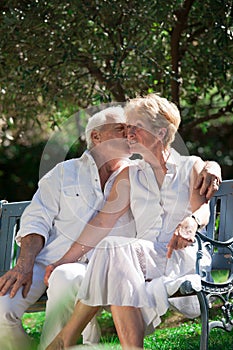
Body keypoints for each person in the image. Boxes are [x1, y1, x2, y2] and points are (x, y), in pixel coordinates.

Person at [45, 93, 222, 350]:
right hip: (141, 262)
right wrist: (63, 262)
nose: (128, 134)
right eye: (126, 128)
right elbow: (101, 224)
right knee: (114, 249)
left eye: (135, 128)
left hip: (181, 255)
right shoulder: (129, 175)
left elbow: (202, 209)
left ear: (160, 133)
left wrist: (191, 222)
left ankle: (66, 337)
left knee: (116, 252)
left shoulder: (191, 166)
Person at [0, 106, 139, 350]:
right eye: (121, 129)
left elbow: (179, 170)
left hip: (103, 266)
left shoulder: (138, 175)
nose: (130, 135)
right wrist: (24, 265)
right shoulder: (64, 173)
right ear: (96, 136)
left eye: (131, 130)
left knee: (66, 278)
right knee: (2, 308)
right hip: (48, 260)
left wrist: (210, 167)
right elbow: (36, 219)